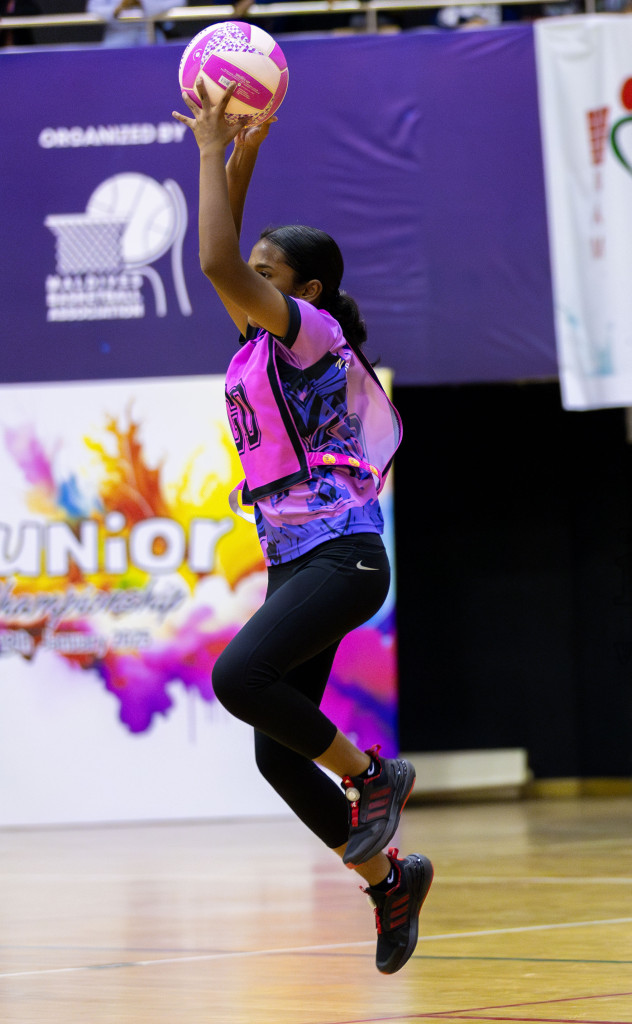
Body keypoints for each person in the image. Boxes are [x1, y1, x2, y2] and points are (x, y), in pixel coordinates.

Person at [172, 82, 430, 975]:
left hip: (343, 552)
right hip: (297, 560)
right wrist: (243, 152)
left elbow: (215, 259)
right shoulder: (258, 343)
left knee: (237, 676)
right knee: (279, 759)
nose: (250, 277)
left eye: (267, 272)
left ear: (308, 290)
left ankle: (371, 775)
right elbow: (228, 258)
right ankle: (391, 882)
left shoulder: (309, 332)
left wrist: (211, 149)